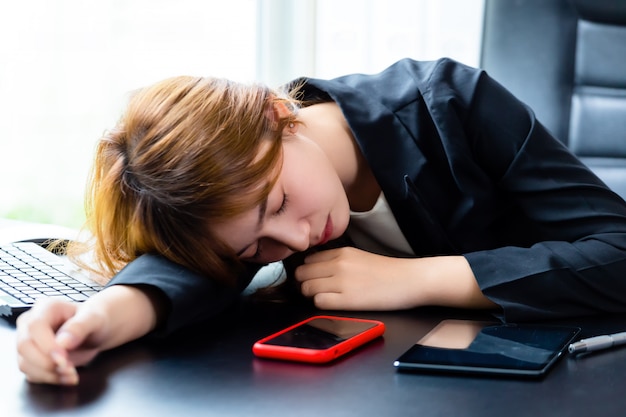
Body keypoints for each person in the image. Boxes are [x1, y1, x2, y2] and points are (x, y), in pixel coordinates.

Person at [15, 57, 626, 386]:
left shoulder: (452, 102)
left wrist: (415, 279)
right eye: (257, 247)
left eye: (277, 205)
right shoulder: (254, 206)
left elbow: (618, 251)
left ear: (279, 112)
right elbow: (195, 269)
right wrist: (97, 320)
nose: (296, 242)